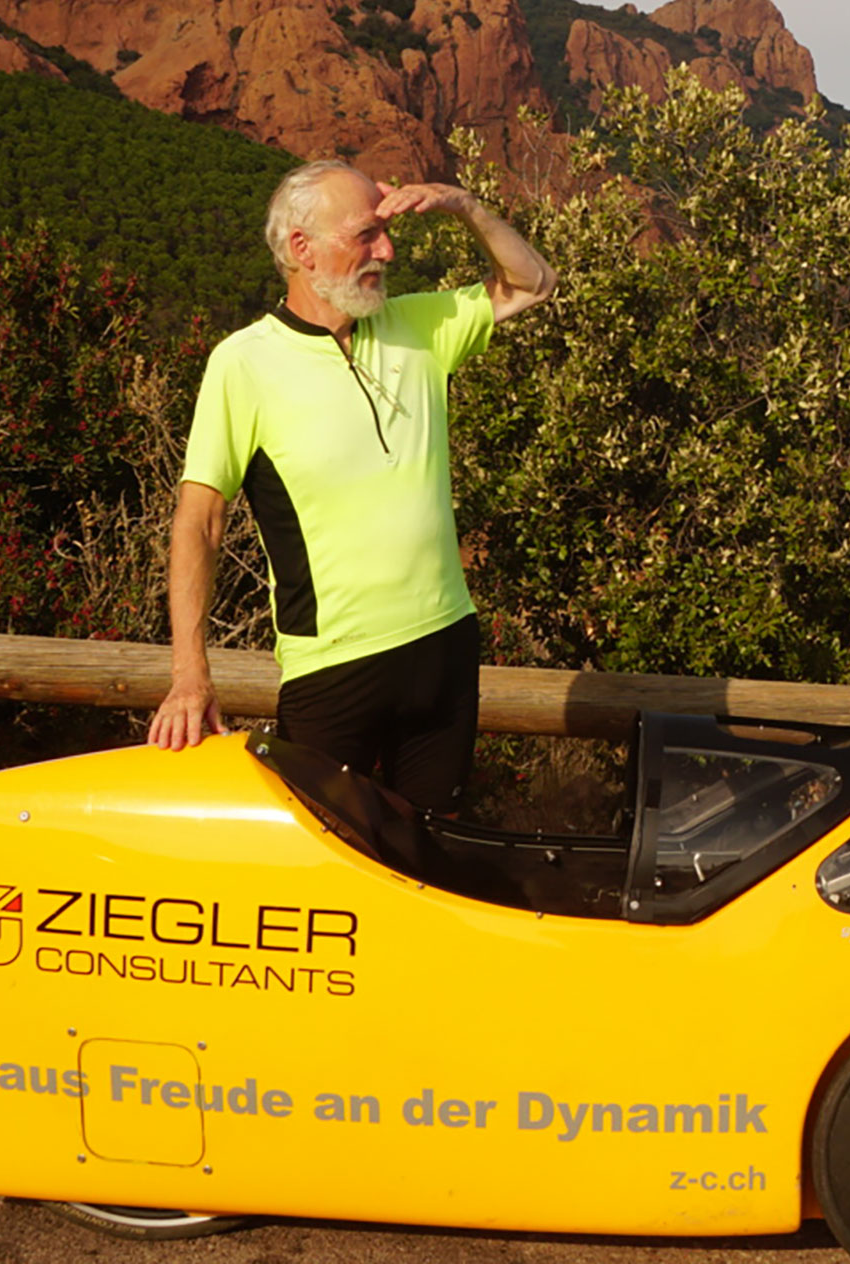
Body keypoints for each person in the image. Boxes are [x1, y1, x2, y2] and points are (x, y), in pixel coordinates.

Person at [146, 159, 554, 813]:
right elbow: (201, 522)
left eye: (385, 235)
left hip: (444, 647)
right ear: (301, 249)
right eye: (365, 236)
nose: (386, 252)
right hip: (333, 669)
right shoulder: (244, 363)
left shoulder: (418, 325)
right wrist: (189, 676)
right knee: (325, 870)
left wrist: (466, 207)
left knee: (436, 861)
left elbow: (532, 284)